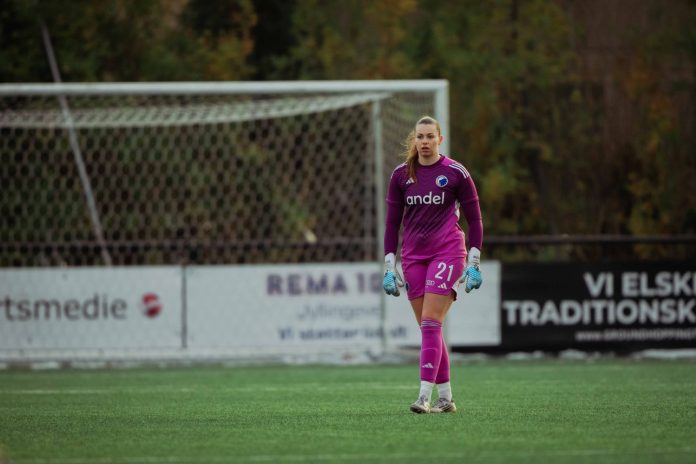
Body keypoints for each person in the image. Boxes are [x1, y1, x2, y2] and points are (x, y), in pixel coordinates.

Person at [382, 115, 483, 414]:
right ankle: (446, 399)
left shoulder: (455, 173)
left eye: (429, 136)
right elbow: (391, 225)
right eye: (419, 136)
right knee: (430, 329)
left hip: (447, 252)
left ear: (440, 139)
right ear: (414, 140)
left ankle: (423, 397)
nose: (424, 142)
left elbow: (475, 220)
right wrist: (389, 265)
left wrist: (474, 261)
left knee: (430, 322)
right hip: (413, 256)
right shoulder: (400, 175)